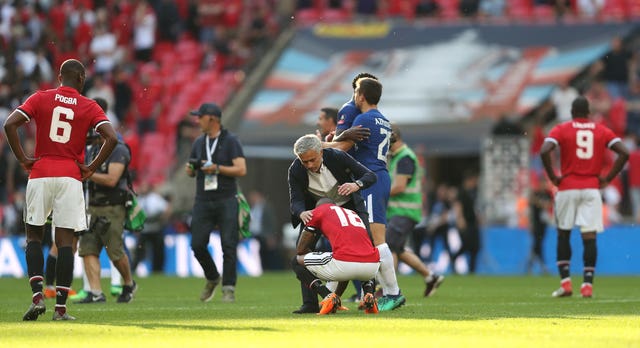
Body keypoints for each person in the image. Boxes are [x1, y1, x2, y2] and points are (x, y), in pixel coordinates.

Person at [3, 59, 118, 321]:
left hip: (41, 172)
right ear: (81, 79)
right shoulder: (90, 106)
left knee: (34, 236)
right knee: (65, 242)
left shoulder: (40, 98)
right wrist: (91, 167)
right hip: (70, 176)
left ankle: (37, 296)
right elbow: (111, 137)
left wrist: (22, 159)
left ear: (59, 77)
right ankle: (61, 310)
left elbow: (10, 124)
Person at [328, 77, 404, 311]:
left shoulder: (363, 119)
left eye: (356, 92)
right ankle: (338, 295)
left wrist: (318, 144)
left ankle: (393, 292)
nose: (355, 96)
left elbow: (342, 150)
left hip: (370, 180)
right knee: (366, 238)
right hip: (377, 177)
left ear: (361, 96)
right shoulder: (383, 120)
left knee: (377, 240)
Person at [540, 96, 628, 298]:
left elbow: (545, 150)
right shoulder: (600, 129)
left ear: (572, 112)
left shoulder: (562, 128)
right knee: (589, 237)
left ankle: (566, 283)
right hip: (591, 188)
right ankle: (587, 285)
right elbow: (623, 152)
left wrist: (553, 176)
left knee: (564, 234)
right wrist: (608, 177)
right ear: (588, 113)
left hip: (568, 187)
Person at [288, 134, 377, 314]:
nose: (309, 165)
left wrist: (356, 185)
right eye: (305, 162)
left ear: (321, 151)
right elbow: (295, 200)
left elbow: (370, 175)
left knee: (367, 246)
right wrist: (301, 212)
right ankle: (310, 304)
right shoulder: (295, 169)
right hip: (318, 214)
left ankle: (368, 296)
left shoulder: (337, 156)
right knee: (302, 250)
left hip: (350, 209)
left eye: (312, 159)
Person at [76, 97, 138, 304]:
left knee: (115, 251)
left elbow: (112, 179)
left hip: (113, 207)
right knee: (87, 249)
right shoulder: (94, 148)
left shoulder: (118, 149)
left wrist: (87, 172)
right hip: (93, 207)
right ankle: (95, 292)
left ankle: (128, 283)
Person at [186, 102, 246, 303]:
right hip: (203, 199)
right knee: (197, 244)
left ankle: (228, 288)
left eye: (200, 116)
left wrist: (217, 168)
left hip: (226, 198)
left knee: (229, 245)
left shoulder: (231, 141)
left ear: (212, 119)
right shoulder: (198, 142)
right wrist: (191, 168)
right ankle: (212, 277)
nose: (197, 120)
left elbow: (241, 169)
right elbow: (191, 170)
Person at [292, 198, 380, 315]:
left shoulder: (319, 211)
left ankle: (326, 295)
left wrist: (308, 253)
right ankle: (369, 295)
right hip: (372, 266)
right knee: (355, 259)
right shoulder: (351, 213)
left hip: (344, 263)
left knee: (296, 261)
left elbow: (300, 249)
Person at [386, 124, 444, 296]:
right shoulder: (398, 157)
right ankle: (430, 276)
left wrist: (377, 193)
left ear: (392, 137)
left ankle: (388, 291)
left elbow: (399, 187)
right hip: (402, 212)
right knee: (399, 250)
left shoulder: (404, 157)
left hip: (404, 212)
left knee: (389, 248)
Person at [132, 182, 171, 274]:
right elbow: (133, 215)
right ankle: (133, 270)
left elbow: (167, 209)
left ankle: (158, 270)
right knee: (139, 251)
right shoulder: (138, 200)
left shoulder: (155, 198)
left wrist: (163, 220)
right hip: (144, 229)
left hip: (156, 229)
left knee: (158, 251)